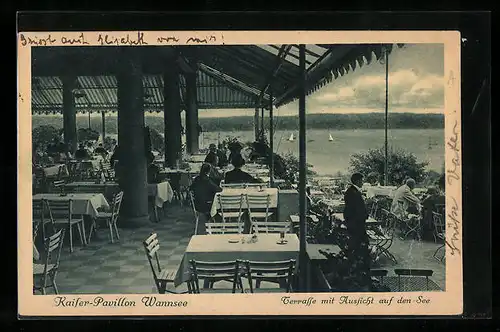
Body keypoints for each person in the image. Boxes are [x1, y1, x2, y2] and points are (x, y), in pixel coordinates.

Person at [343, 172, 371, 290]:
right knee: (360, 244)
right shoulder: (355, 193)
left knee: (356, 243)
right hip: (356, 224)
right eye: (361, 180)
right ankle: (360, 270)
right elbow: (359, 210)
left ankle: (356, 266)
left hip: (352, 222)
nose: (362, 182)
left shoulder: (350, 191)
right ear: (358, 181)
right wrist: (365, 216)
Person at [190, 163, 222, 234]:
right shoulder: (208, 181)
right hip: (206, 206)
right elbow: (219, 189)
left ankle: (213, 224)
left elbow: (191, 189)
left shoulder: (197, 179)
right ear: (209, 171)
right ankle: (218, 228)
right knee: (218, 207)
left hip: (196, 205)